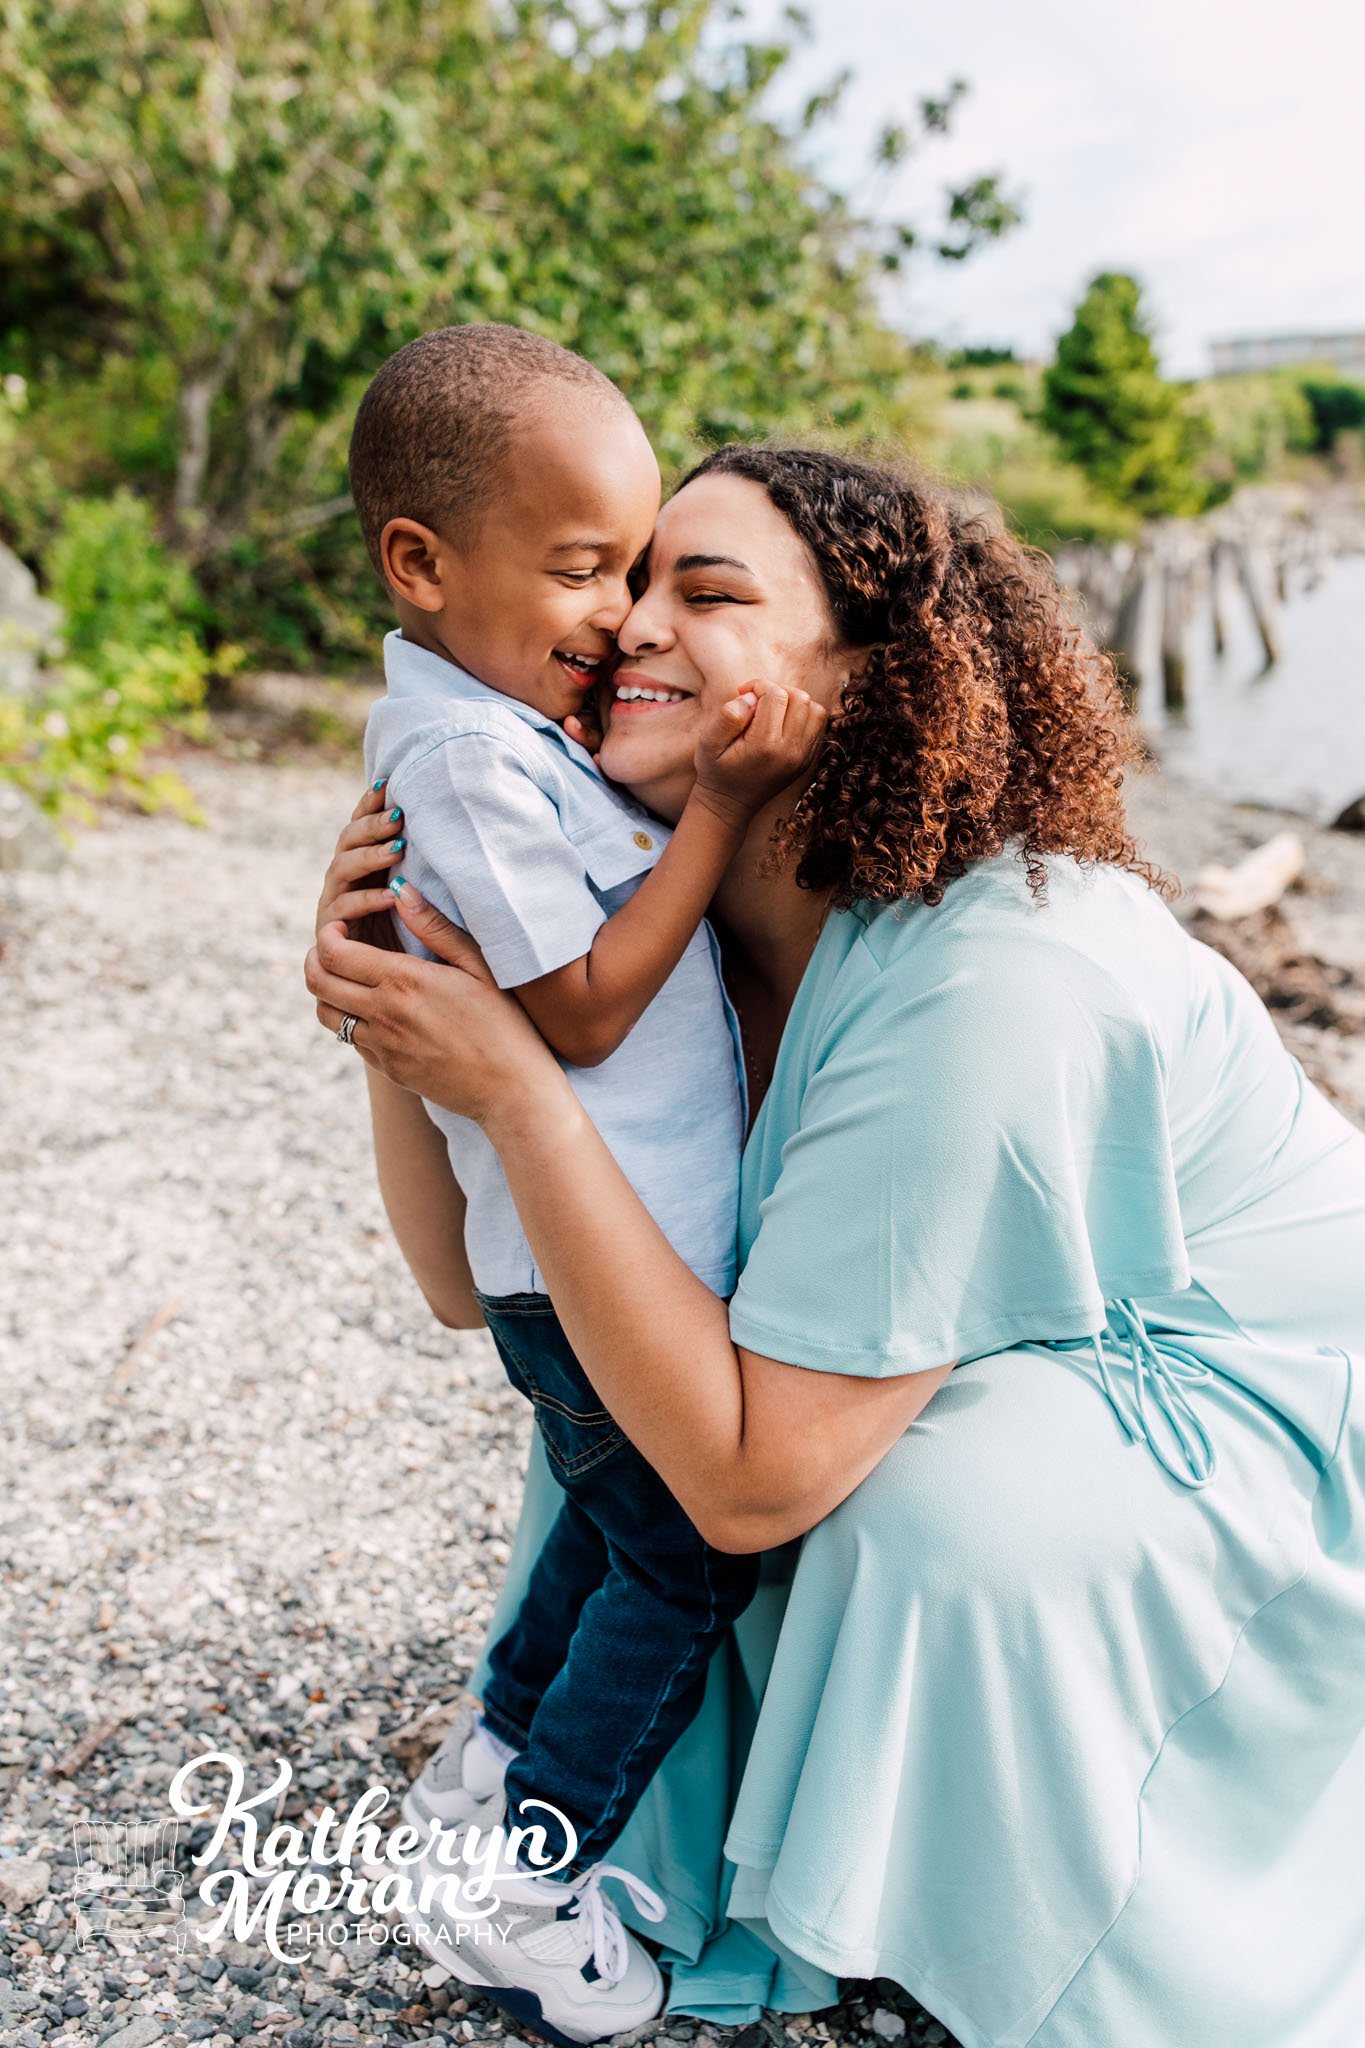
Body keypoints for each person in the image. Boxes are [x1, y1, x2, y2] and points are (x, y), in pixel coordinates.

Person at [309, 445, 1365, 2048]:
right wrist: (407, 1018)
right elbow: (474, 1289)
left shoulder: (995, 963)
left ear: (870, 680)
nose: (624, 626)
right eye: (617, 583)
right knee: (616, 1391)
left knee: (896, 1506)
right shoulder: (658, 944)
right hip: (1017, 1328)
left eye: (706, 593)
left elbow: (752, 1478)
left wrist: (519, 1097)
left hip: (1263, 1381)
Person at [336, 326, 826, 2042]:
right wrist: (719, 805)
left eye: (636, 566)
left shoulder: (495, 731)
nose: (619, 615)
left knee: (600, 1531)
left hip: (578, 1270)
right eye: (582, 569)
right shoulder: (469, 760)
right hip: (579, 1274)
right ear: (421, 562)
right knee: (686, 1566)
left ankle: (486, 1762)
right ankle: (533, 1883)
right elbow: (583, 1013)